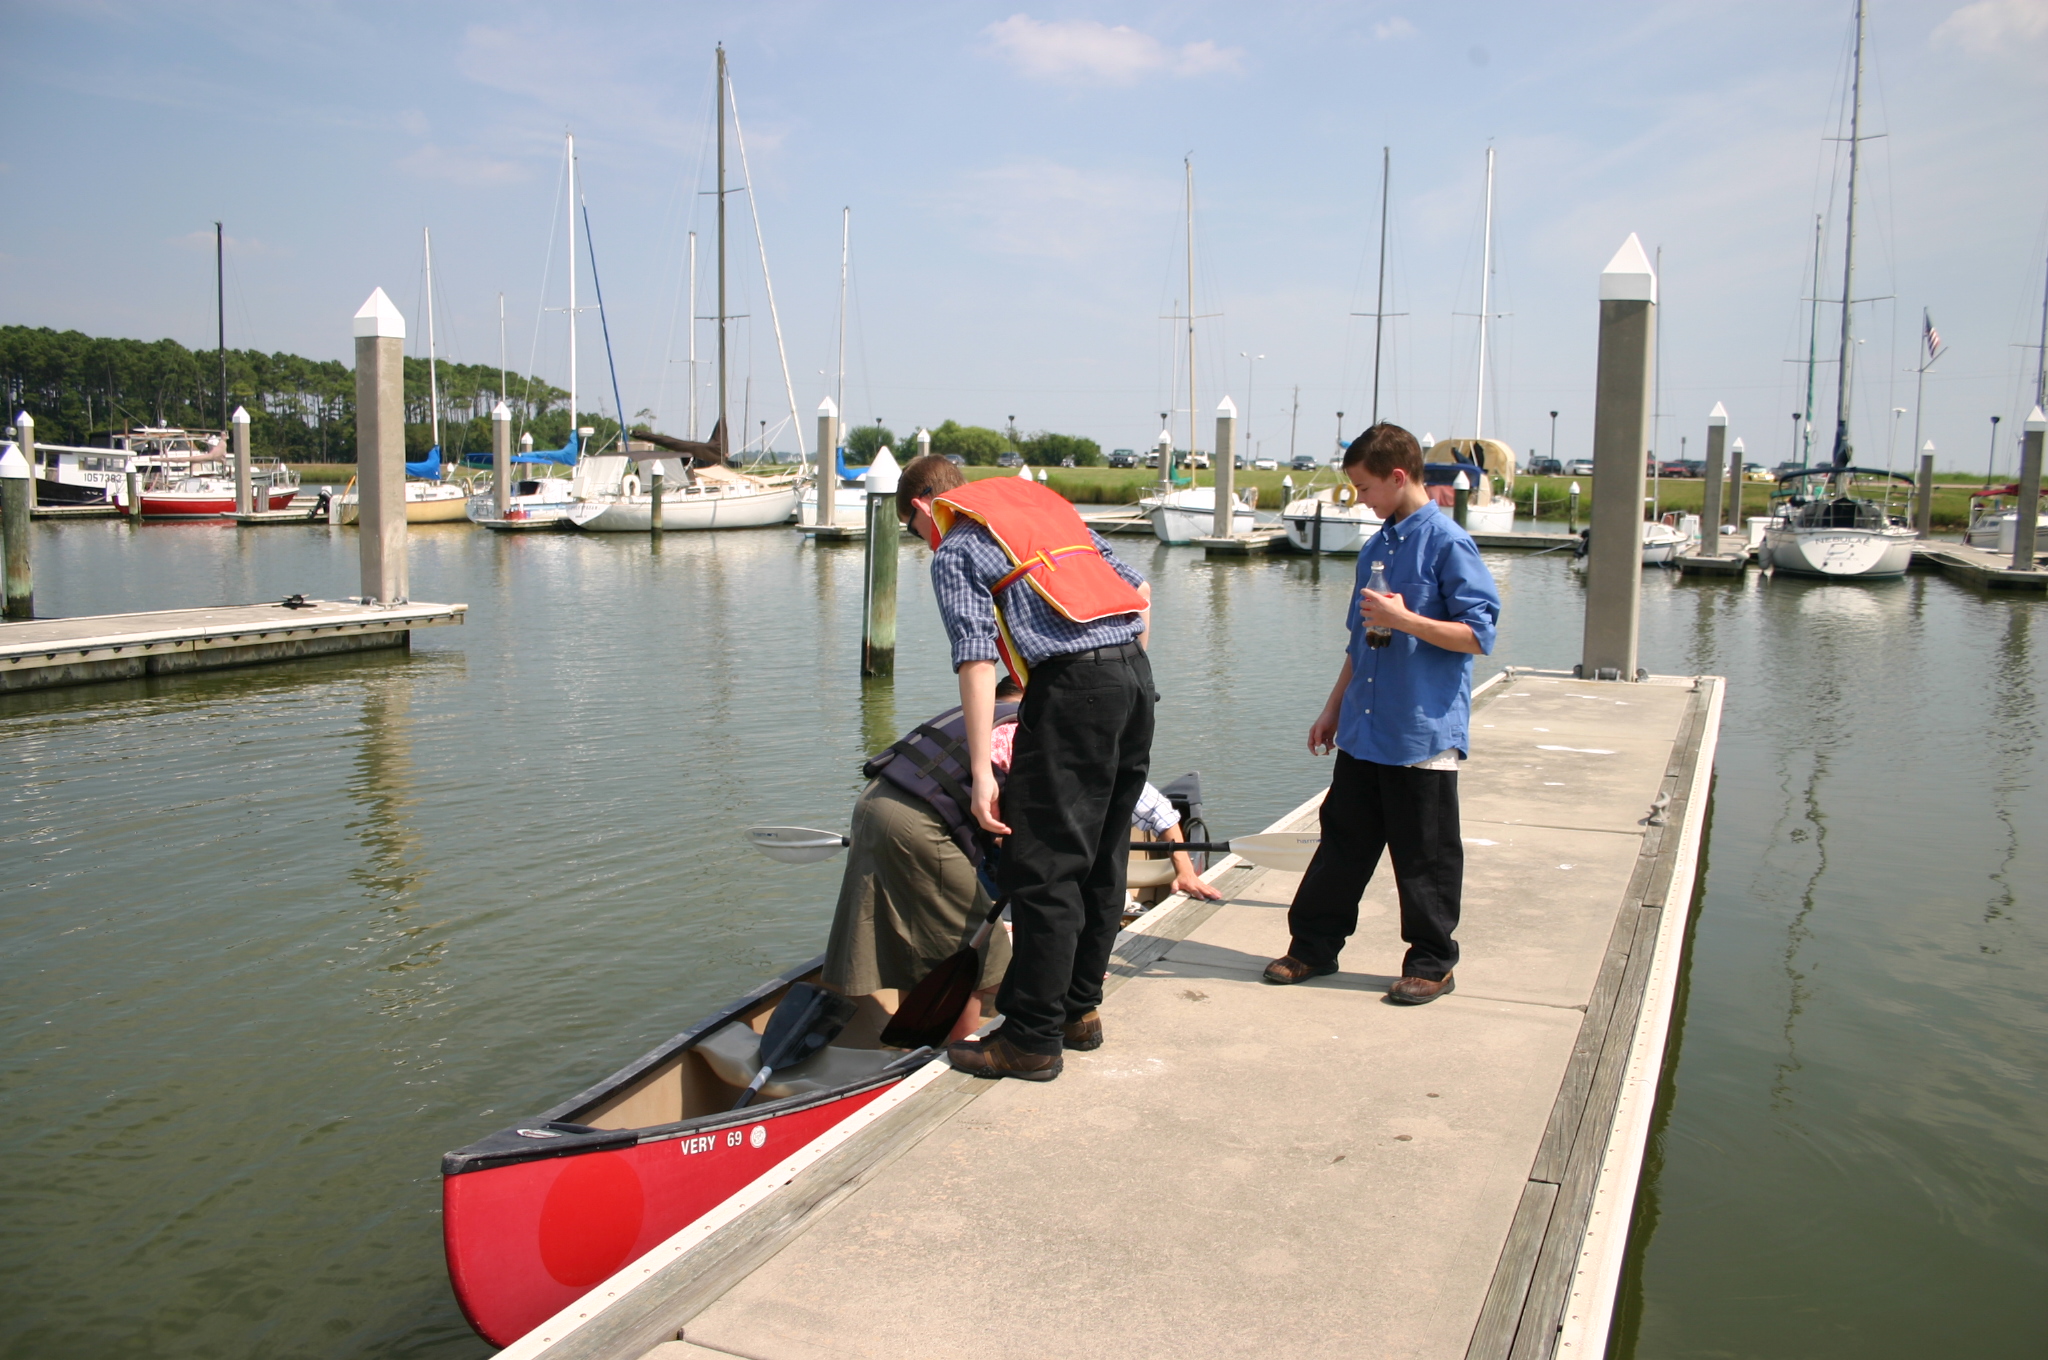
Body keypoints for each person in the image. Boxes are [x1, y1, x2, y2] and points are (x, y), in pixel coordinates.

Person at [896, 453, 1154, 1082]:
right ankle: (1077, 1012)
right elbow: (1140, 592)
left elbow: (976, 657)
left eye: (914, 529)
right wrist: (1121, 683)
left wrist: (983, 772)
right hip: (1134, 678)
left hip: (1073, 692)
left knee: (1044, 868)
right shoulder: (1044, 513)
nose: (924, 540)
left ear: (925, 507)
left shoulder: (956, 546)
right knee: (1103, 856)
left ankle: (1032, 1040)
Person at [1263, 422, 1500, 1004]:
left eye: (1365, 488)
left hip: (1420, 731)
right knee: (1341, 845)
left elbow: (1479, 635)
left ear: (1398, 477)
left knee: (1425, 857)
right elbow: (1359, 642)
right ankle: (1312, 948)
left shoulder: (1448, 543)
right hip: (1364, 728)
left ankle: (1432, 964)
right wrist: (1331, 709)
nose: (1360, 499)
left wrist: (1406, 620)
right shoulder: (1376, 547)